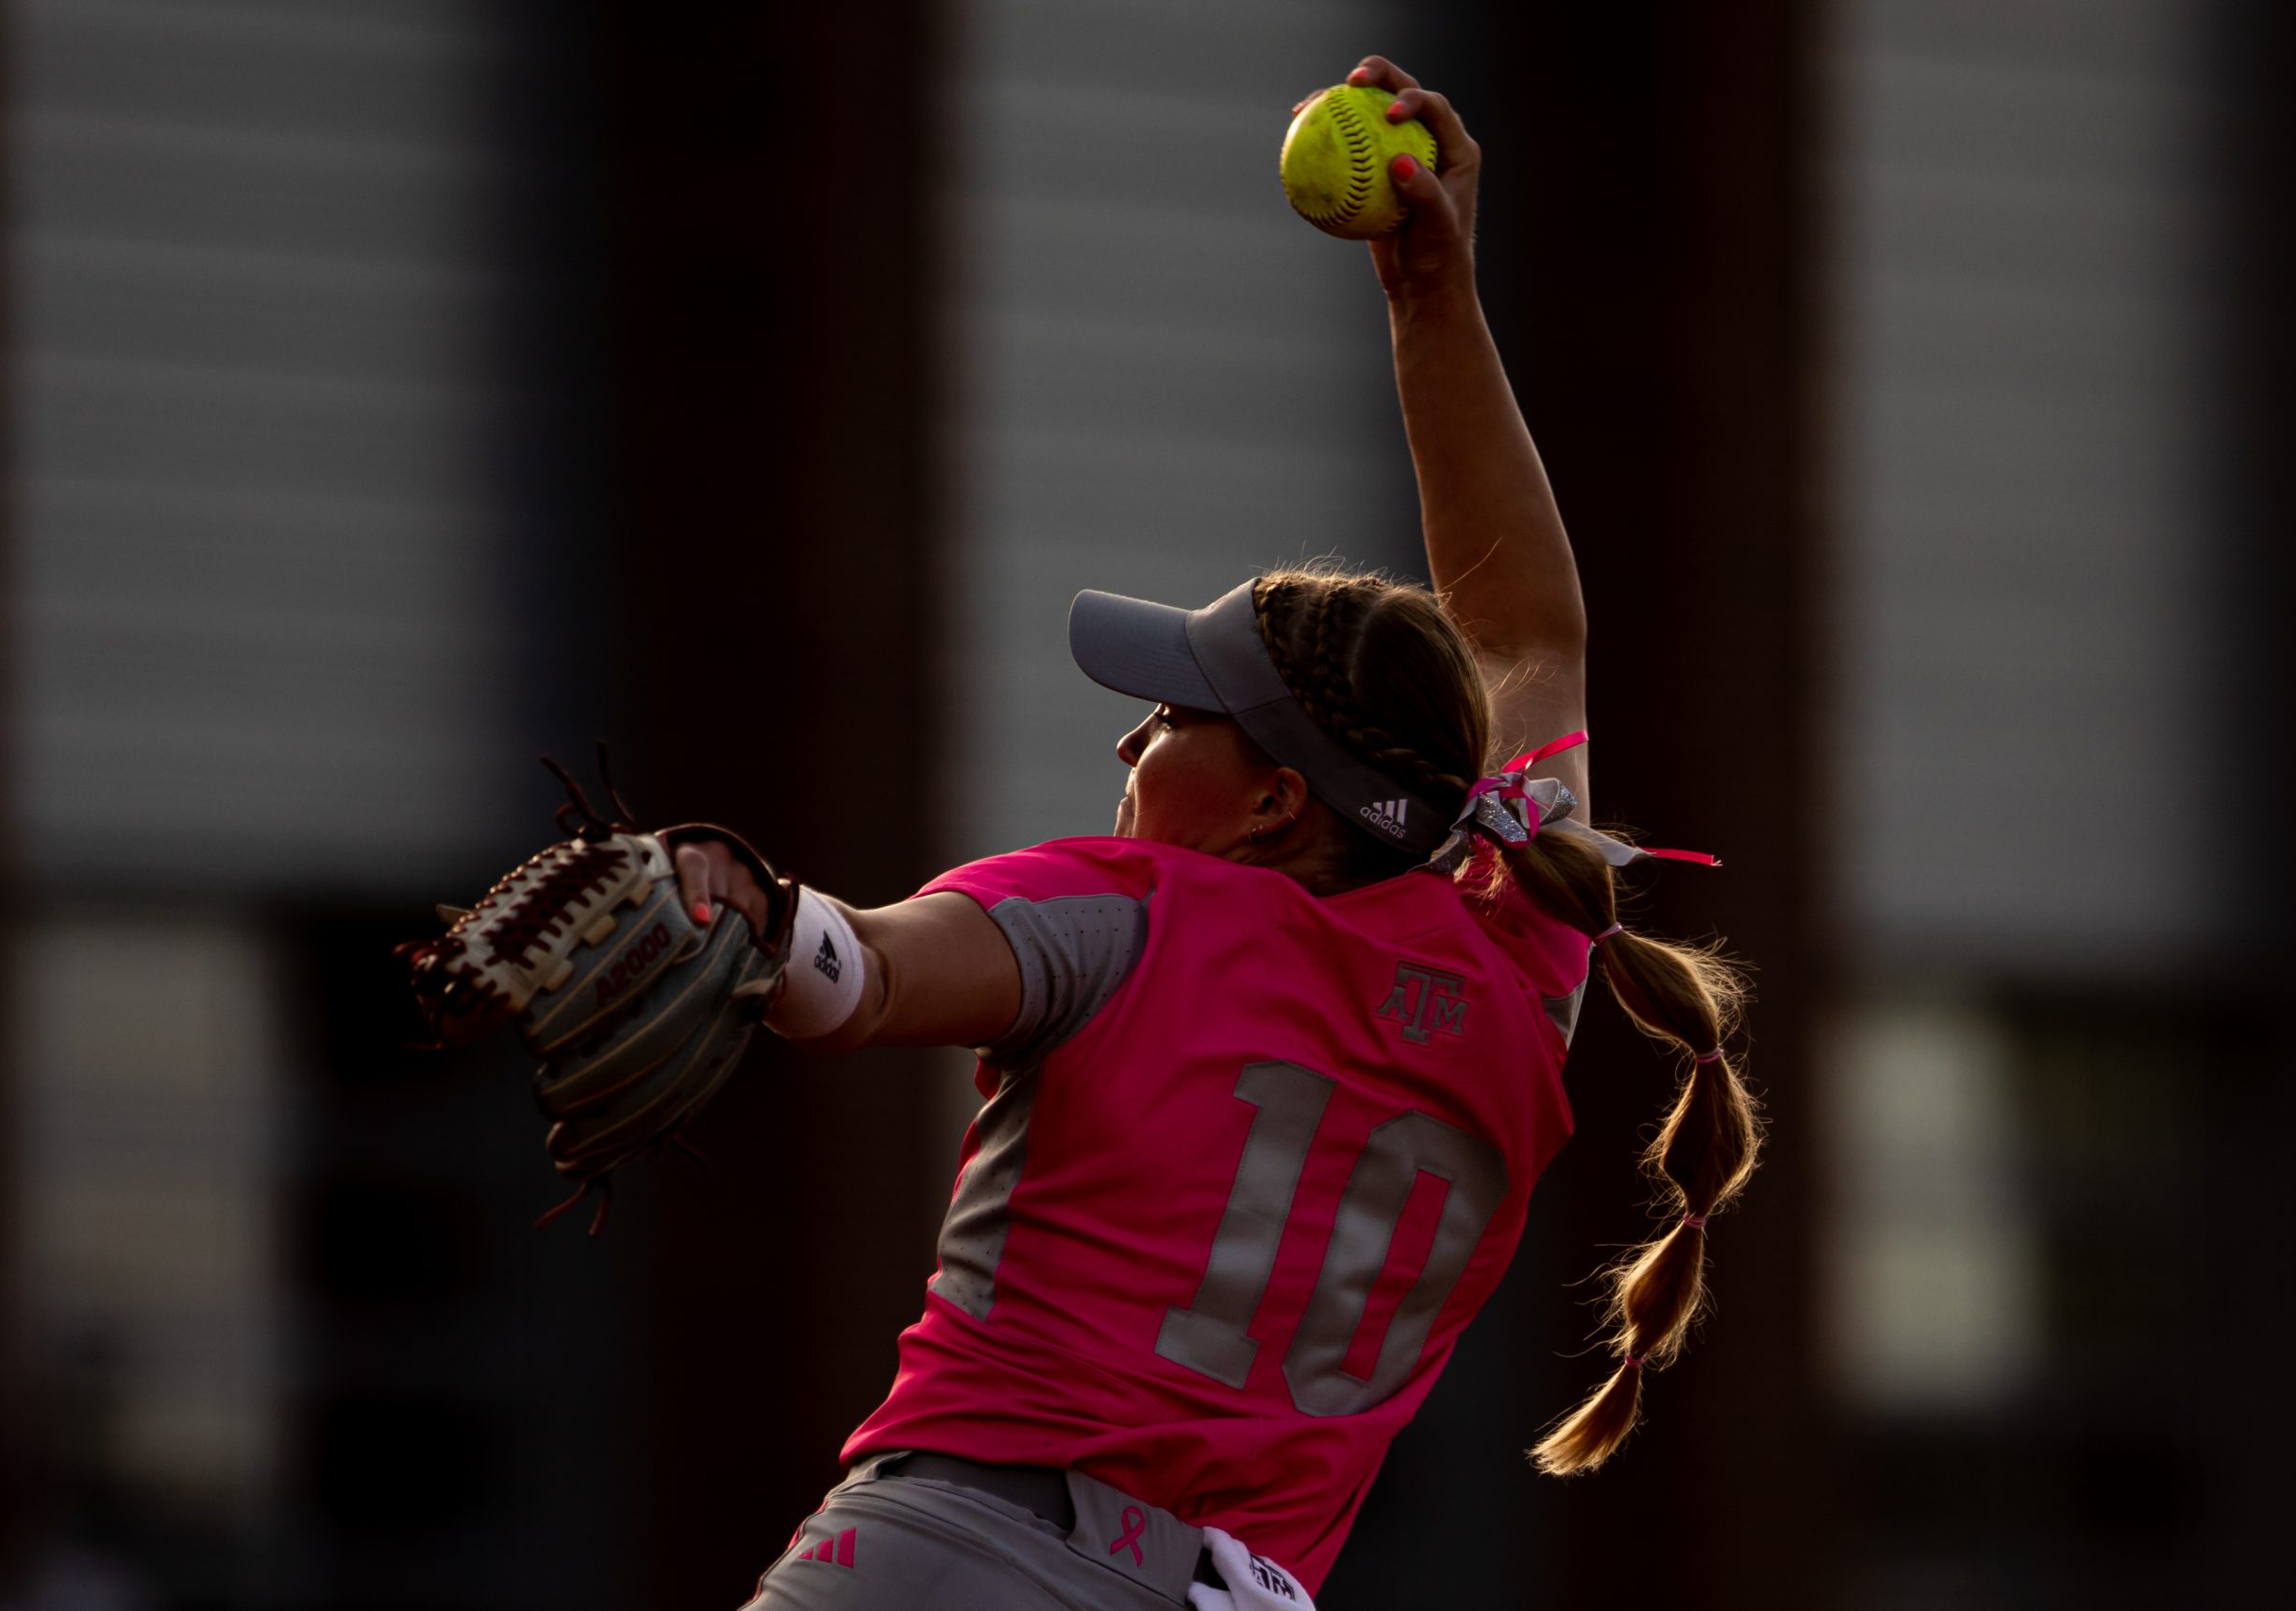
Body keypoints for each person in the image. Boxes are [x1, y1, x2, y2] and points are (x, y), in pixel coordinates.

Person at [683, 55, 1762, 1611]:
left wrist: (734, 903)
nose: (1131, 736)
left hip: (960, 1557)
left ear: (1275, 798)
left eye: (1178, 712)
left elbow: (857, 973)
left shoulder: (1134, 911)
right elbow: (1530, 630)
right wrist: (1433, 294)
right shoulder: (1519, 973)